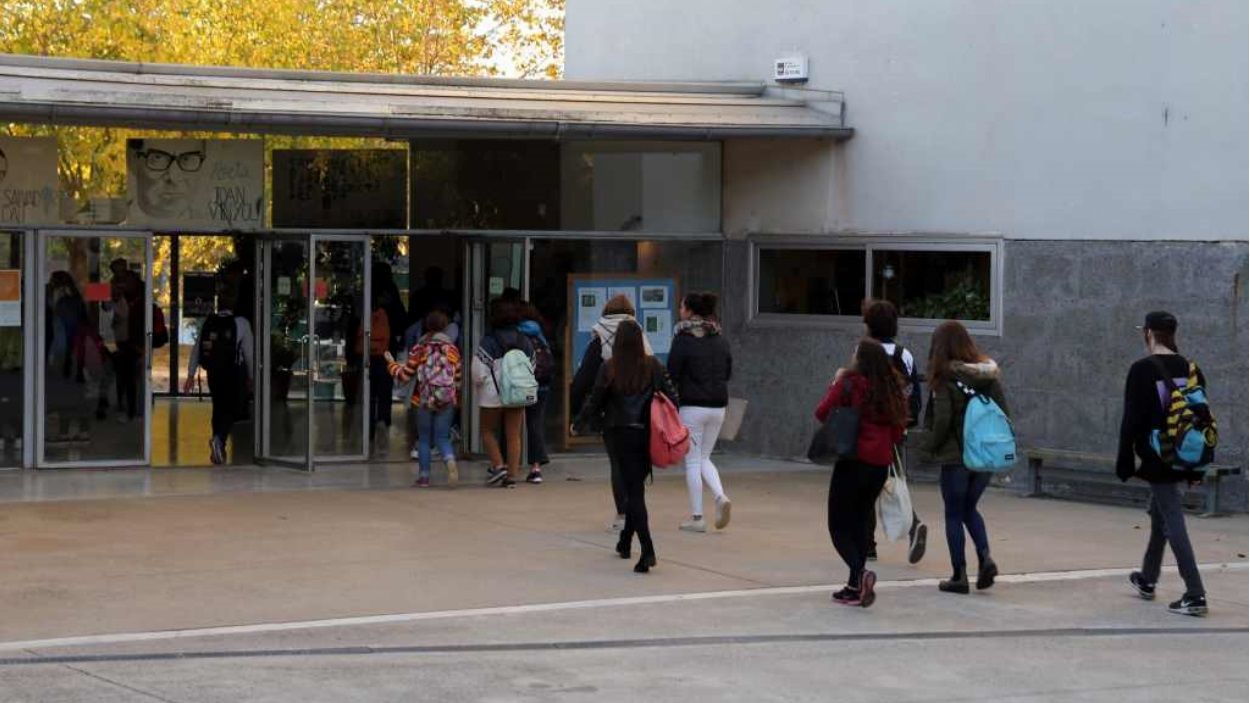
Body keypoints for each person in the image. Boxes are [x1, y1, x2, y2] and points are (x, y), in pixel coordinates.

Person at [1118, 311, 1208, 616]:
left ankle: (1195, 593)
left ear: (1148, 333)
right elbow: (1202, 419)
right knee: (1159, 514)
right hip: (1186, 453)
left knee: (1172, 520)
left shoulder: (1141, 369)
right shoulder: (1191, 368)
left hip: (1158, 456)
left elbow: (1131, 420)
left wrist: (1125, 460)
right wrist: (1197, 467)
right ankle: (1147, 578)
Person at [573, 319, 678, 574]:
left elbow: (594, 400)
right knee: (635, 489)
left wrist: (578, 423)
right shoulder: (653, 366)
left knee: (635, 494)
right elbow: (673, 397)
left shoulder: (610, 368)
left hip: (619, 435)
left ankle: (648, 550)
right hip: (646, 434)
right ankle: (625, 542)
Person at [814, 339, 908, 608]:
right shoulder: (891, 386)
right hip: (879, 464)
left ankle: (860, 572)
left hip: (852, 460)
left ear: (860, 359)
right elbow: (898, 431)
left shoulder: (850, 382)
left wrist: (836, 384)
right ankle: (855, 585)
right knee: (859, 522)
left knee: (838, 525)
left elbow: (821, 413)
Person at [920, 321, 1008, 595]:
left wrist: (927, 449)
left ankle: (959, 574)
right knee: (970, 509)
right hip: (984, 456)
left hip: (956, 457)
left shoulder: (944, 377)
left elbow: (942, 419)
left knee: (954, 514)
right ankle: (985, 558)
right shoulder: (988, 376)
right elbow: (1003, 412)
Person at [569, 294, 653, 530]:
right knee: (637, 463)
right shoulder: (642, 339)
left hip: (614, 415)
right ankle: (637, 508)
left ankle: (623, 513)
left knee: (617, 463)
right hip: (643, 414)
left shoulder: (599, 343)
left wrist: (577, 416)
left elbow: (584, 383)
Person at [861, 300, 929, 564]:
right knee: (890, 481)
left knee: (867, 486)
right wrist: (904, 425)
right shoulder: (904, 354)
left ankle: (869, 545)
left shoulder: (864, 352)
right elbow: (915, 397)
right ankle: (912, 526)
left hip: (867, 430)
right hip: (896, 431)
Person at [667, 291, 733, 533]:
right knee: (704, 457)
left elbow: (671, 372)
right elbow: (727, 372)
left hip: (692, 406)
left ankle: (697, 518)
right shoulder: (720, 337)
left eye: (682, 306)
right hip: (718, 406)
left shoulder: (684, 338)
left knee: (692, 461)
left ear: (690, 311)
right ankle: (720, 496)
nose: (679, 310)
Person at [388, 310, 462, 488]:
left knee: (423, 439)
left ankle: (424, 477)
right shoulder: (452, 350)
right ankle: (450, 460)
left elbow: (405, 375)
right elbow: (457, 378)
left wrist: (391, 364)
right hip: (446, 400)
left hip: (422, 399)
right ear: (445, 327)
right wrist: (454, 397)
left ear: (426, 326)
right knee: (442, 437)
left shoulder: (420, 349)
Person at [184, 278, 255, 465]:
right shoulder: (242, 324)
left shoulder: (210, 322)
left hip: (214, 373)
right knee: (235, 407)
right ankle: (219, 439)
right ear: (235, 303)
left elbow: (197, 349)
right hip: (234, 372)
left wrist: (191, 375)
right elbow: (249, 354)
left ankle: (218, 448)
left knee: (218, 407)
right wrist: (252, 377)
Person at [472, 297, 534, 488]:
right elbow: (532, 367)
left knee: (487, 430)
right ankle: (512, 476)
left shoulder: (488, 342)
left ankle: (498, 466)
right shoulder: (525, 341)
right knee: (513, 435)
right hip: (517, 394)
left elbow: (478, 373)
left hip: (492, 395)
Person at [518, 302, 552, 484]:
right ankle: (536, 467)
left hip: (519, 386)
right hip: (541, 385)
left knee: (512, 423)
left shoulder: (517, 333)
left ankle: (508, 466)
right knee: (535, 423)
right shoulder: (539, 332)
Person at [359, 289, 393, 455]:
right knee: (383, 394)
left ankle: (370, 428)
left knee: (369, 395)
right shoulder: (386, 314)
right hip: (383, 358)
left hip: (368, 358)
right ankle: (382, 421)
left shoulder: (364, 316)